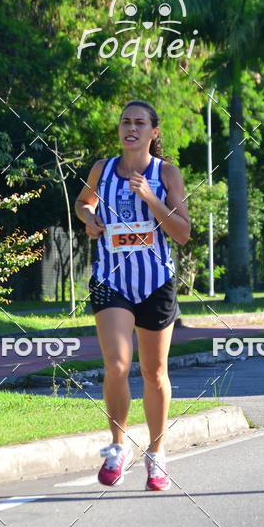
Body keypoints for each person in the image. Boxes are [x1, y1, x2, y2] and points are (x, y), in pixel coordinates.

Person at [74, 100, 191, 491]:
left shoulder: (166, 173)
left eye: (140, 123)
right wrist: (90, 220)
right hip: (112, 279)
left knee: (154, 373)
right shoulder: (102, 169)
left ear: (154, 132)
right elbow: (83, 202)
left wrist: (150, 198)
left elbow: (182, 232)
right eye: (126, 121)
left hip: (156, 281)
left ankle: (156, 455)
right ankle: (117, 446)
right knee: (117, 365)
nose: (132, 128)